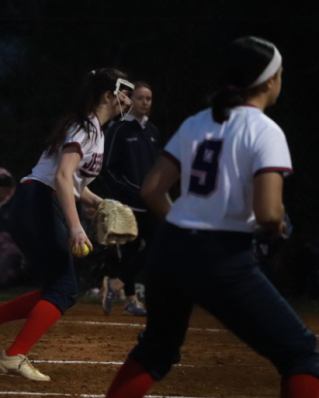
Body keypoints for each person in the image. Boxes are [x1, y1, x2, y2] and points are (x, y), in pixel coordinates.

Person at [105, 37, 319, 398]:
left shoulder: (197, 122)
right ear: (269, 81)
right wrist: (277, 222)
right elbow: (268, 213)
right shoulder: (266, 130)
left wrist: (184, 229)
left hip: (169, 248)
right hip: (220, 254)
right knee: (301, 356)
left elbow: (152, 190)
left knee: (156, 350)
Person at [0, 68, 133, 381]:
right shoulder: (87, 127)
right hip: (40, 201)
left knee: (58, 286)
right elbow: (62, 177)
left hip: (33, 202)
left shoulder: (92, 128)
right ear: (108, 95)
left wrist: (102, 203)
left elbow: (75, 185)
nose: (128, 99)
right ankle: (14, 355)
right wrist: (76, 228)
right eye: (124, 92)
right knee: (66, 289)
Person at [97, 81, 162, 316]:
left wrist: (156, 190)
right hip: (129, 204)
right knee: (131, 252)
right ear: (130, 101)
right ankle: (131, 300)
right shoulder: (119, 129)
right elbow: (107, 169)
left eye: (149, 98)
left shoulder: (152, 131)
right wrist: (131, 191)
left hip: (150, 203)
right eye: (140, 98)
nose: (145, 102)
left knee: (156, 248)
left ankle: (114, 284)